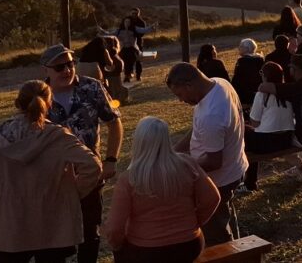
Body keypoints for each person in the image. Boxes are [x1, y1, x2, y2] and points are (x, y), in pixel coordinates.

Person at [0, 80, 101, 263]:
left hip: (11, 226)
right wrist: (71, 194)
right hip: (52, 224)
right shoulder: (57, 137)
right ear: (49, 103)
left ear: (18, 103)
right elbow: (92, 165)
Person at [41, 44, 123, 263]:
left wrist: (111, 160)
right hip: (54, 178)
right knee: (55, 235)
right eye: (59, 67)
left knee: (89, 232)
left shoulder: (92, 88)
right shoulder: (38, 97)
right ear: (46, 70)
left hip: (89, 176)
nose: (67, 70)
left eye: (70, 64)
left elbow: (114, 123)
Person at [103, 117, 219, 263]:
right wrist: (195, 223)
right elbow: (213, 198)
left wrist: (117, 245)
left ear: (138, 141)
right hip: (189, 245)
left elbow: (114, 228)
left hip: (145, 251)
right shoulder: (187, 165)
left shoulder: (129, 179)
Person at [167, 63, 247, 245]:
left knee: (215, 232)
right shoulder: (219, 84)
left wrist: (180, 166)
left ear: (189, 85)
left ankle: (228, 253)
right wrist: (173, 152)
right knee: (224, 215)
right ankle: (237, 247)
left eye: (179, 94)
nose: (180, 100)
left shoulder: (212, 114)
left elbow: (213, 161)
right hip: (234, 166)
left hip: (219, 179)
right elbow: (197, 130)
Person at [241, 62, 302, 190]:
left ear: (265, 76)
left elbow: (255, 122)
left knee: (243, 131)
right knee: (252, 133)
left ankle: (249, 183)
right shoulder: (287, 92)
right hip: (286, 139)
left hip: (267, 143)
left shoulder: (262, 95)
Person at [114, 18, 155, 83]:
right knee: (125, 61)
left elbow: (143, 30)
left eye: (129, 22)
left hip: (132, 48)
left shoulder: (134, 29)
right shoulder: (119, 30)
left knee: (131, 60)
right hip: (123, 49)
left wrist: (151, 27)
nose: (127, 23)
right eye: (126, 22)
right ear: (123, 22)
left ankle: (129, 75)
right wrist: (102, 31)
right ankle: (127, 75)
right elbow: (110, 34)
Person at [230, 39, 265, 109]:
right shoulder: (260, 60)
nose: (239, 48)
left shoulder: (242, 62)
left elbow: (237, 79)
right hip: (259, 91)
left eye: (241, 46)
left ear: (246, 48)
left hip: (246, 94)